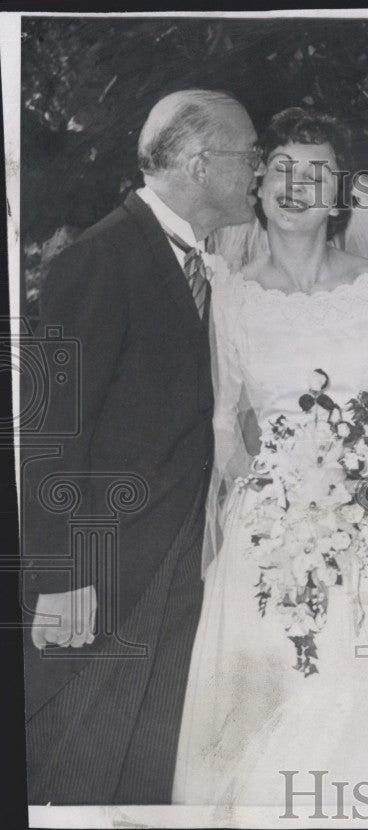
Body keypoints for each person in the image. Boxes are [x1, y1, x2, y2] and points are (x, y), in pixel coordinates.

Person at [171, 107, 368, 807]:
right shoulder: (229, 294)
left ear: (341, 192)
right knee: (266, 708)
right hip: (266, 533)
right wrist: (265, 508)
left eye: (317, 172)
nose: (297, 185)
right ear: (257, 184)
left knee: (357, 699)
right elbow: (224, 425)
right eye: (284, 169)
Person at [21, 89, 260, 803]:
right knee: (81, 771)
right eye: (250, 153)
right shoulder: (96, 259)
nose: (260, 168)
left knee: (148, 776)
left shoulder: (210, 261)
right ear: (199, 162)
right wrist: (59, 580)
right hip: (106, 579)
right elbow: (46, 432)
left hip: (179, 566)